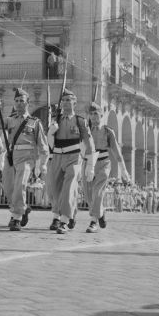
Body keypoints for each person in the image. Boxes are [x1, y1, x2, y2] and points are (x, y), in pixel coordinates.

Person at [0, 88, 49, 231]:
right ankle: (22, 208)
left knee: (19, 185)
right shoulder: (10, 119)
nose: (18, 103)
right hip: (11, 156)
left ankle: (16, 218)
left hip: (27, 157)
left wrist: (43, 163)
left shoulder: (35, 122)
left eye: (21, 101)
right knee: (8, 186)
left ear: (28, 102)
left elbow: (43, 144)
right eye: (16, 101)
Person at [47, 88, 95, 234]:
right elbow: (50, 144)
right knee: (54, 190)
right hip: (57, 156)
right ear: (61, 103)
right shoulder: (57, 120)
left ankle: (64, 221)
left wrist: (90, 165)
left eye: (69, 100)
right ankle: (69, 211)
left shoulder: (80, 121)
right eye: (64, 100)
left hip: (74, 157)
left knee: (68, 188)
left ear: (75, 103)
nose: (66, 103)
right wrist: (50, 132)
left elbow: (89, 142)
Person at [83, 102, 131, 233]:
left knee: (97, 193)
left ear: (101, 114)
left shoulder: (108, 131)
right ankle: (101, 212)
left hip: (103, 163)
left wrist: (123, 170)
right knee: (88, 196)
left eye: (96, 114)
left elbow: (116, 151)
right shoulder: (85, 131)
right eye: (91, 114)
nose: (93, 117)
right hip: (87, 163)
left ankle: (93, 222)